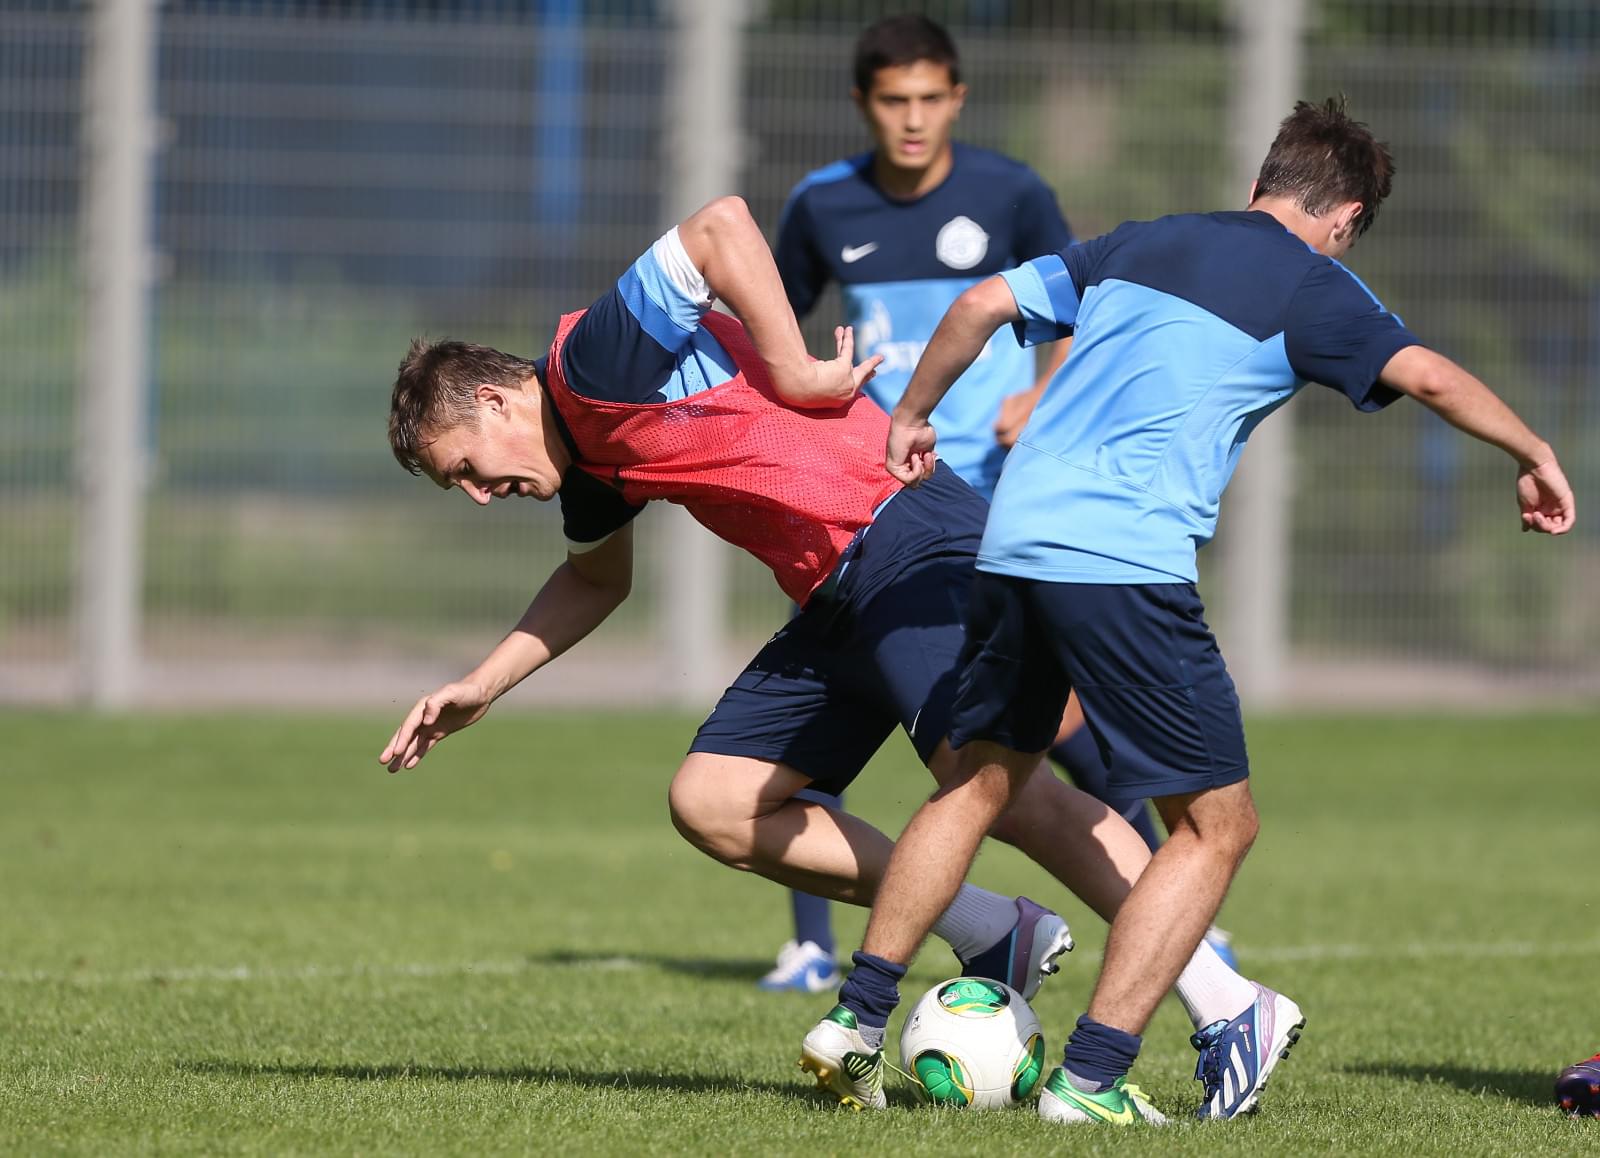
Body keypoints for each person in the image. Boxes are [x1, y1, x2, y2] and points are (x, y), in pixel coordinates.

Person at [804, 97, 1576, 1124]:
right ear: (1343, 214)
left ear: (1260, 180)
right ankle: (1090, 1080)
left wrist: (909, 418)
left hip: (1013, 538)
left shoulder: (1145, 240)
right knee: (1216, 828)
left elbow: (982, 304)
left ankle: (852, 1022)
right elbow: (1426, 373)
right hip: (1117, 563)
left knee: (979, 779)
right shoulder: (1314, 283)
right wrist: (1533, 453)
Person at [759, 11, 1174, 995]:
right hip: (873, 505)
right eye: (892, 101)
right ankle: (813, 943)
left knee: (1065, 718)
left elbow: (1079, 310)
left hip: (998, 503)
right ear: (865, 103)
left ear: (957, 98)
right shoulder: (823, 204)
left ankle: (1169, 911)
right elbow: (776, 331)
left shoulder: (1010, 193)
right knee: (828, 707)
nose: (911, 119)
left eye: (928, 99)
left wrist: (1041, 392)